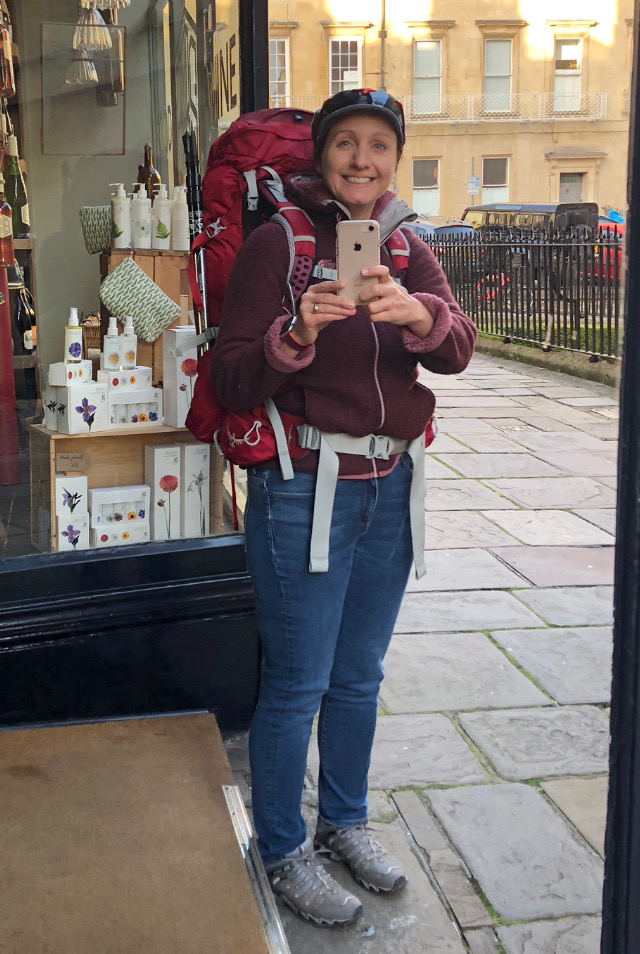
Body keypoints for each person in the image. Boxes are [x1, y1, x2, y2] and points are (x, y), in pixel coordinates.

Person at [211, 89, 477, 927]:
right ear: (321, 156)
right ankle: (284, 847)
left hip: (390, 487)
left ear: (395, 159)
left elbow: (461, 347)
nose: (363, 160)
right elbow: (228, 376)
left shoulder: (404, 245)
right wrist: (296, 335)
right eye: (346, 144)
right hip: (303, 489)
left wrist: (420, 314)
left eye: (379, 145)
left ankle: (345, 823)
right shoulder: (276, 243)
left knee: (359, 679)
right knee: (298, 684)